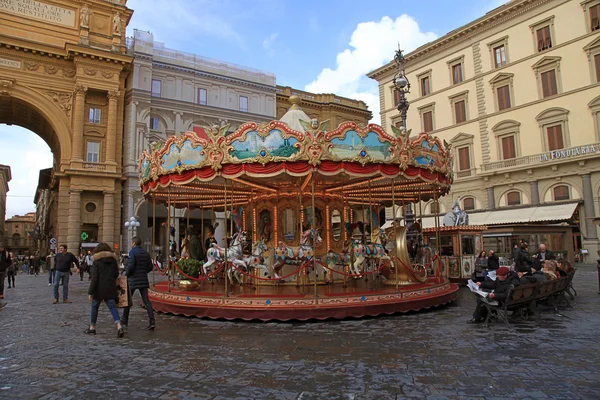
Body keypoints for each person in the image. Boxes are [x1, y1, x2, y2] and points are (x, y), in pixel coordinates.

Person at [85, 243, 124, 337]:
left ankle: (92, 328)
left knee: (94, 306)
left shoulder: (96, 261)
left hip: (99, 288)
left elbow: (94, 278)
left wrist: (90, 292)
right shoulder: (113, 261)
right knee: (112, 307)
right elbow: (116, 274)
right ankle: (119, 326)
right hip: (110, 286)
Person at [121, 236, 155, 330]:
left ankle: (124, 321)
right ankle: (152, 322)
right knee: (147, 302)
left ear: (134, 243)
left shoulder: (132, 252)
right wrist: (143, 272)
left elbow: (130, 266)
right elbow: (150, 266)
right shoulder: (146, 253)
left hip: (133, 280)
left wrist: (126, 275)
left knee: (127, 300)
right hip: (143, 279)